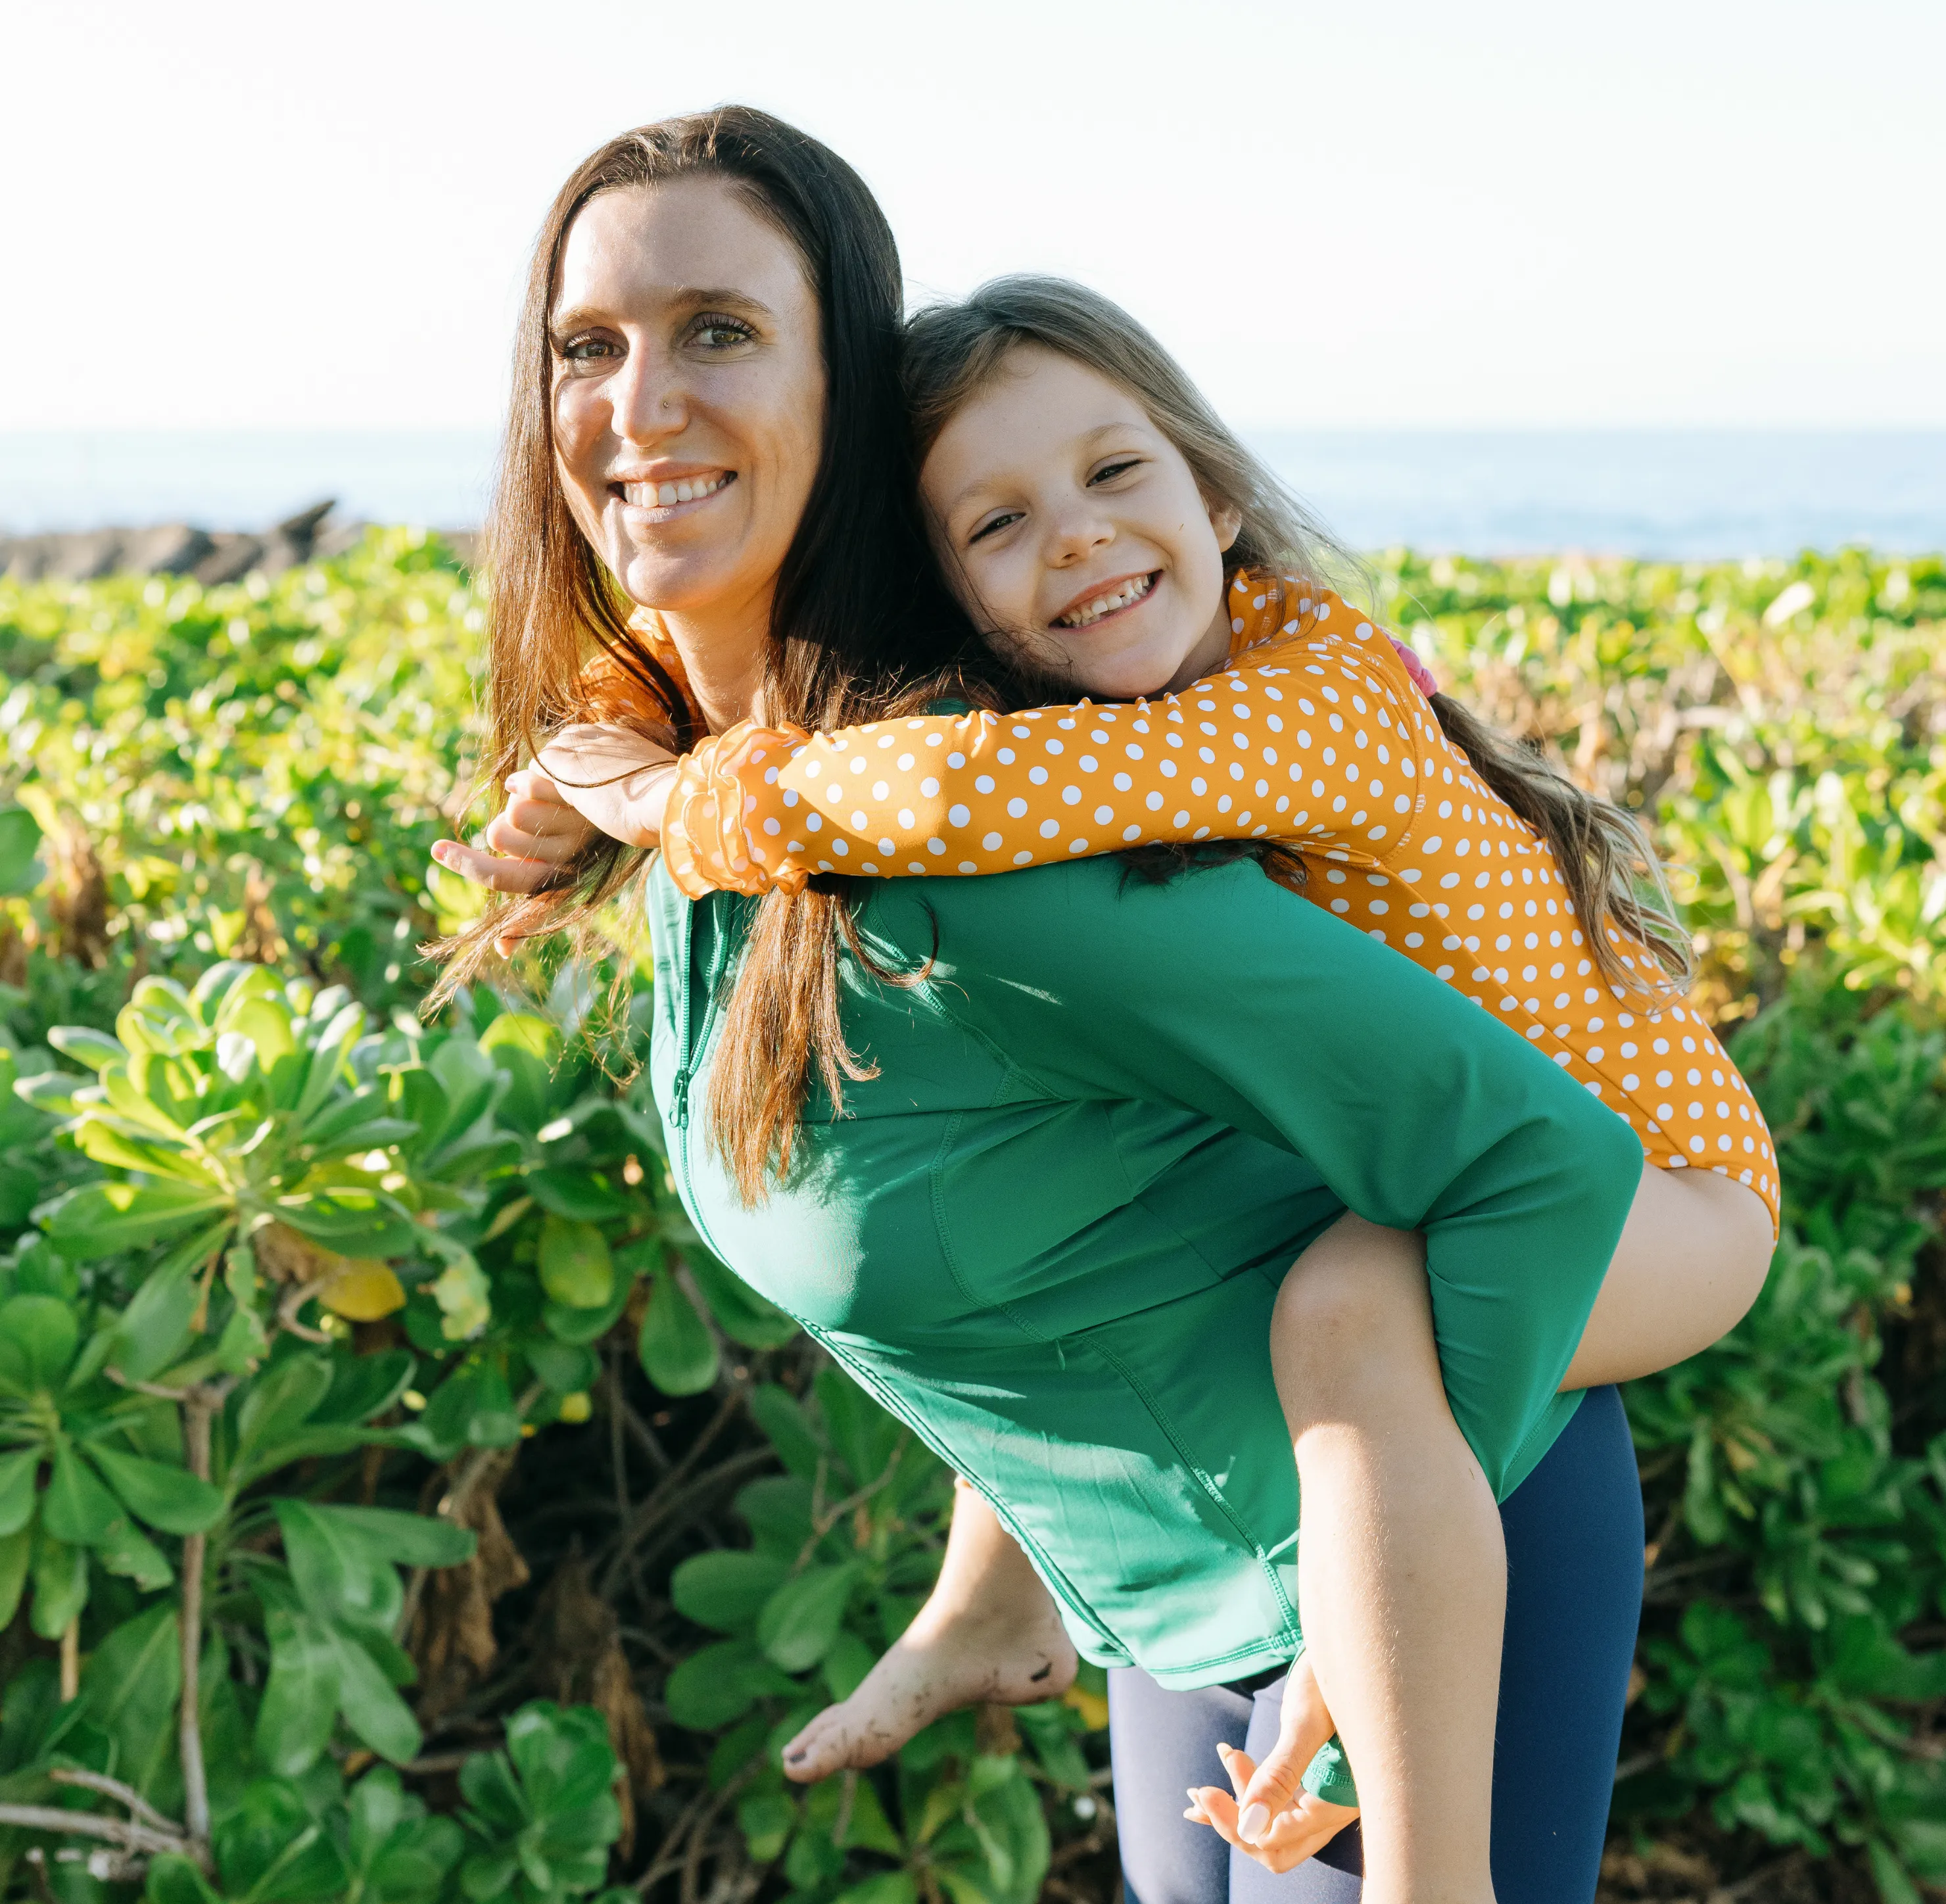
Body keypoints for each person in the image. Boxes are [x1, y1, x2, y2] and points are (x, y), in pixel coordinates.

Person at [431, 107, 1724, 1904]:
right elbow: (1067, 1191)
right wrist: (1002, 1577)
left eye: (718, 331)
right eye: (590, 345)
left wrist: (1366, 1630)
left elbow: (1536, 1155)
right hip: (1187, 1604)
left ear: (851, 413)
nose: (640, 401)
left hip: (1414, 1543)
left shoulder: (974, 855)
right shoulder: (745, 786)